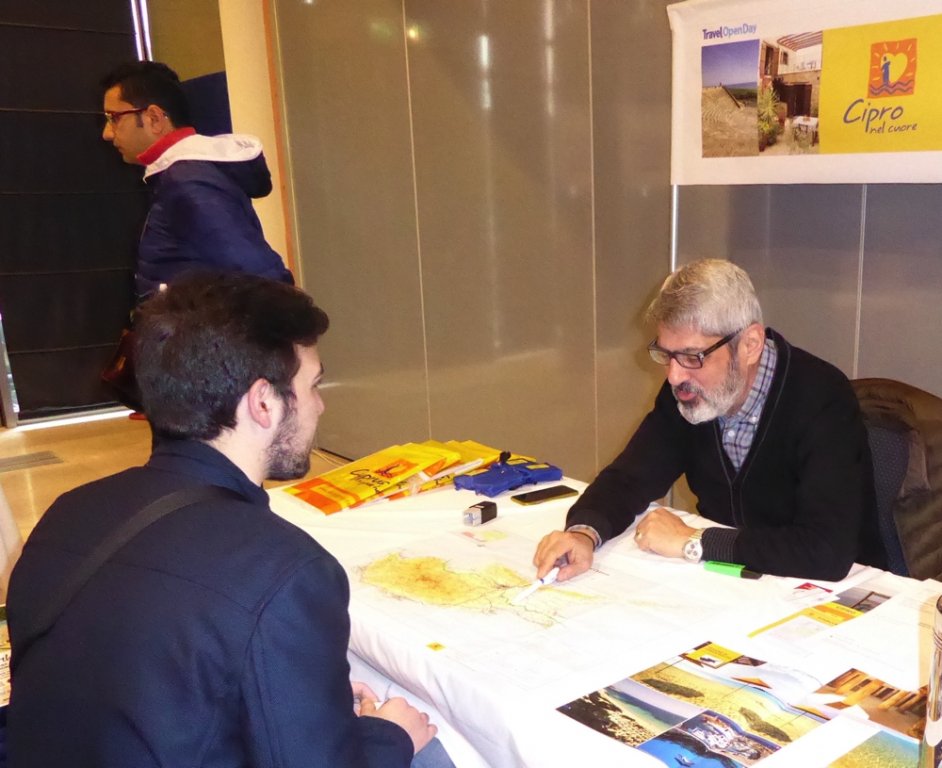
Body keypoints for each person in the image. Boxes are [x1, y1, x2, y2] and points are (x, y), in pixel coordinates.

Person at [6, 273, 452, 768]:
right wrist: (391, 737)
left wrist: (305, 694)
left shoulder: (70, 510)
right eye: (313, 385)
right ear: (263, 402)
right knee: (432, 751)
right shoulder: (288, 571)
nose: (320, 406)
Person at [534, 258, 885, 583]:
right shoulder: (689, 391)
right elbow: (630, 478)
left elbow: (825, 551)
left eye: (692, 356)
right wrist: (584, 533)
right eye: (667, 355)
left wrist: (696, 541)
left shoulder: (822, 398)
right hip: (731, 583)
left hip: (835, 595)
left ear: (749, 345)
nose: (674, 376)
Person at [100, 61, 293, 301]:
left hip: (203, 327)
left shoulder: (187, 181)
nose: (107, 133)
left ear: (154, 118)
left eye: (114, 118)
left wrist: (291, 321)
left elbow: (261, 275)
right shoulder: (183, 175)